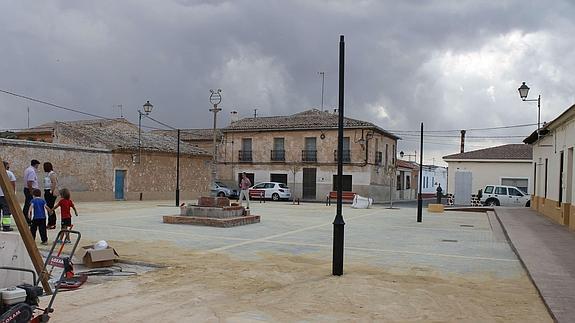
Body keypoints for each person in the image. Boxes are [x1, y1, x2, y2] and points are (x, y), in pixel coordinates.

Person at [0, 161, 17, 231]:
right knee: (6, 211)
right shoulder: (9, 173)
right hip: (5, 195)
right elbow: (13, 184)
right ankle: (6, 226)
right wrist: (12, 194)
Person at [43, 162, 59, 229]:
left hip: (50, 192)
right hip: (47, 190)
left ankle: (52, 223)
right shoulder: (47, 174)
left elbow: (54, 183)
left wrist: (51, 191)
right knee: (48, 207)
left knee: (50, 207)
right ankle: (50, 222)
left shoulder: (52, 174)